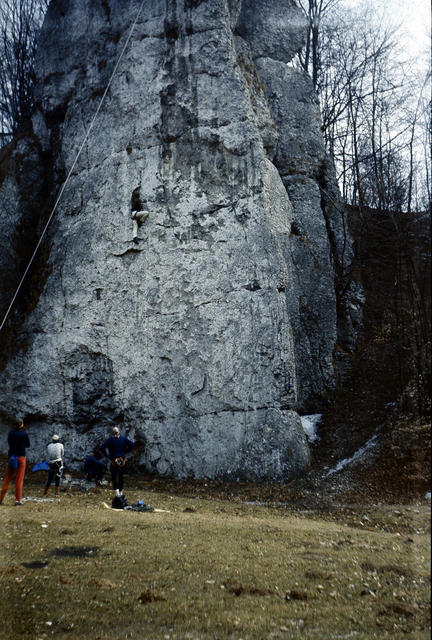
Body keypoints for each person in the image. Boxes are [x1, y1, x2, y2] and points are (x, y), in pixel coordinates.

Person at [0, 419, 30, 506]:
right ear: (21, 425)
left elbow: (10, 443)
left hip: (12, 457)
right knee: (19, 479)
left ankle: (1, 498)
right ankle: (17, 500)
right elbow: (28, 445)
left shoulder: (10, 433)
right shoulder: (24, 434)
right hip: (21, 457)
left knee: (7, 478)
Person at [101, 427, 134, 497]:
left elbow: (102, 447)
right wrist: (125, 451)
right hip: (121, 460)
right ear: (119, 432)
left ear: (112, 432)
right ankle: (121, 491)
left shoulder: (110, 440)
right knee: (120, 476)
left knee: (114, 476)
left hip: (114, 460)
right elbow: (132, 444)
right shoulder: (123, 439)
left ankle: (117, 491)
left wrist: (107, 455)